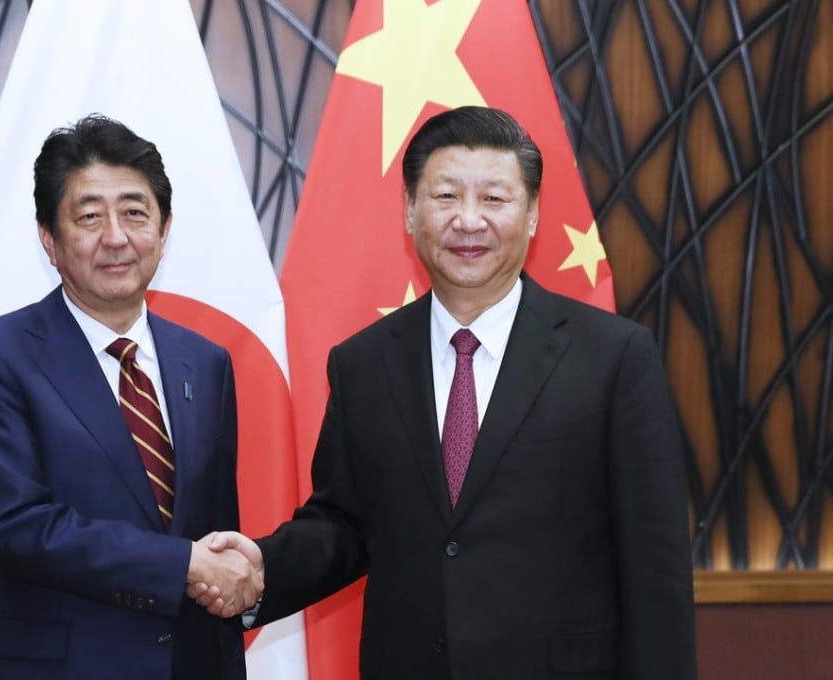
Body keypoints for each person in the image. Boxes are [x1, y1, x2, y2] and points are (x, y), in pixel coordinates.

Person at [195, 106, 697, 678]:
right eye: (446, 196)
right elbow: (346, 523)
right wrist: (265, 568)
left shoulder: (614, 357)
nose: (469, 220)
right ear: (410, 212)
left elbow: (655, 569)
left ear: (532, 214)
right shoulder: (363, 362)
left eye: (494, 199)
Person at [0, 114, 260, 680]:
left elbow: (214, 529)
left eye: (135, 213)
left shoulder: (206, 362)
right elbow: (20, 527)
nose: (115, 236)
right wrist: (183, 563)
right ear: (50, 239)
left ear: (164, 230)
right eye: (89, 216)